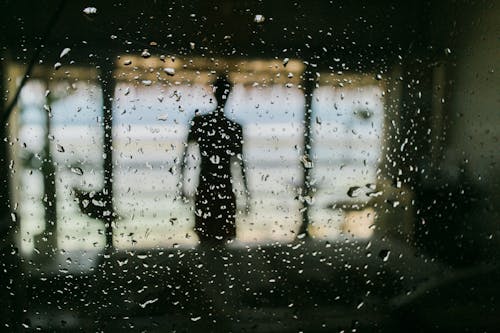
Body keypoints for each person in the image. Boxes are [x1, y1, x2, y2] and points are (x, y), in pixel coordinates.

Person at [180, 75, 249, 246]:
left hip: (207, 182)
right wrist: (246, 192)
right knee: (220, 236)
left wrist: (182, 184)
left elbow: (185, 157)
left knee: (207, 234)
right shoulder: (233, 127)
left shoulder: (201, 122)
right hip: (223, 183)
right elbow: (240, 165)